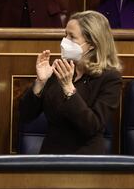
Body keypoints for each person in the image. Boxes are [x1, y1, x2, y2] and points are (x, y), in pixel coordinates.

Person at [19, 11, 122, 154]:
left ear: (92, 44)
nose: (65, 41)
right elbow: (25, 115)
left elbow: (92, 126)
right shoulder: (59, 69)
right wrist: (40, 83)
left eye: (72, 37)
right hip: (50, 156)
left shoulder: (110, 78)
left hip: (86, 159)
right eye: (65, 35)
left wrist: (69, 89)